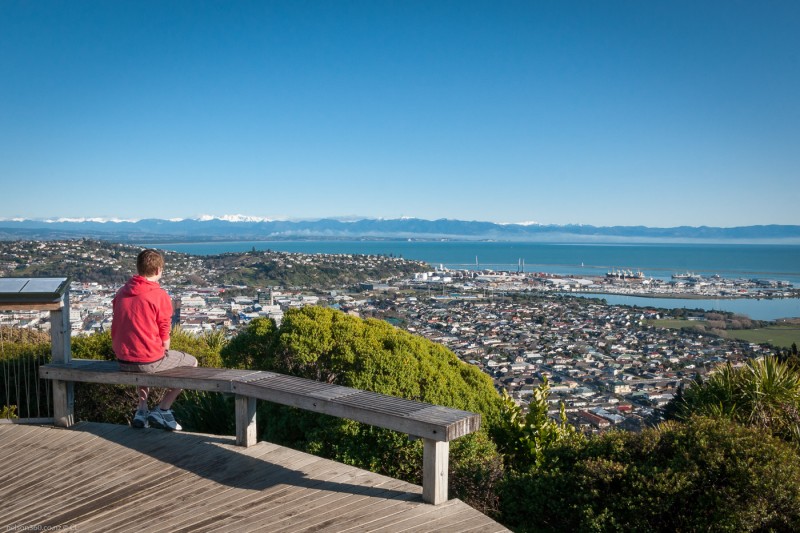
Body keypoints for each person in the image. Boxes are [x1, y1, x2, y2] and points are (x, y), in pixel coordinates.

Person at [111, 249, 197, 430]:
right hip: (146, 361)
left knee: (142, 357)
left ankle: (142, 410)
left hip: (122, 360)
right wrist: (164, 350)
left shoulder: (121, 293)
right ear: (158, 270)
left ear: (138, 268)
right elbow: (164, 332)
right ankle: (163, 409)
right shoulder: (159, 295)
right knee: (192, 363)